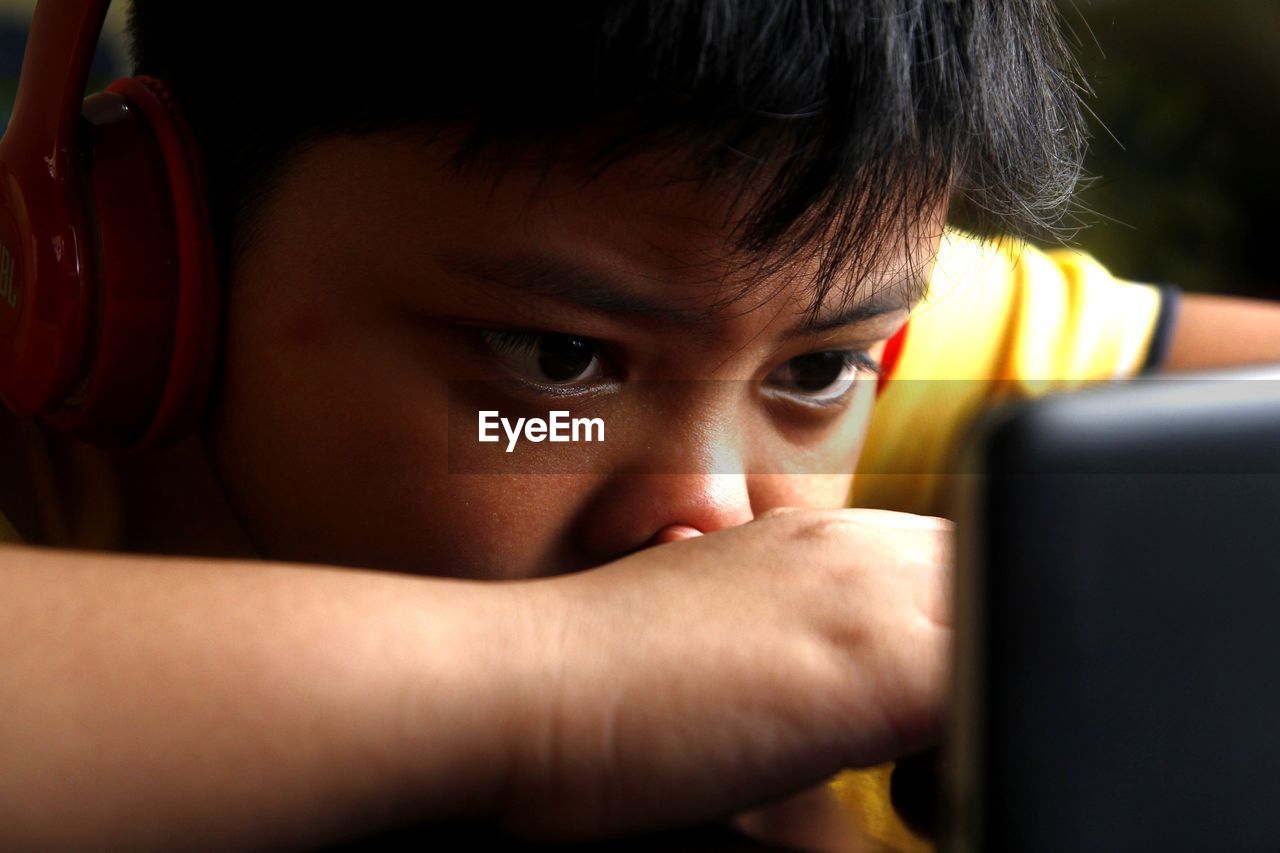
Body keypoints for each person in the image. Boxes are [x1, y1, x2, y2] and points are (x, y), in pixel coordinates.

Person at [2, 1, 1279, 849]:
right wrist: (577, 683)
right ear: (142, 272)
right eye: (562, 362)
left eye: (826, 373)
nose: (713, 511)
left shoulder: (774, 296)